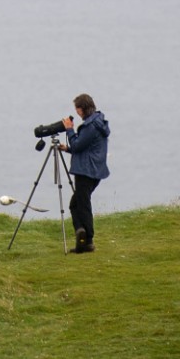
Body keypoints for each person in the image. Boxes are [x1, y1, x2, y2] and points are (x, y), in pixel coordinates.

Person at [63, 93, 109, 253]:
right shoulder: (98, 122)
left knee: (81, 205)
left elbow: (77, 146)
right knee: (78, 203)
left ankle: (86, 239)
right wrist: (67, 148)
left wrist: (69, 130)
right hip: (95, 169)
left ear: (82, 109)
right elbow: (85, 148)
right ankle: (82, 235)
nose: (76, 112)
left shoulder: (90, 126)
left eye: (77, 109)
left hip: (86, 171)